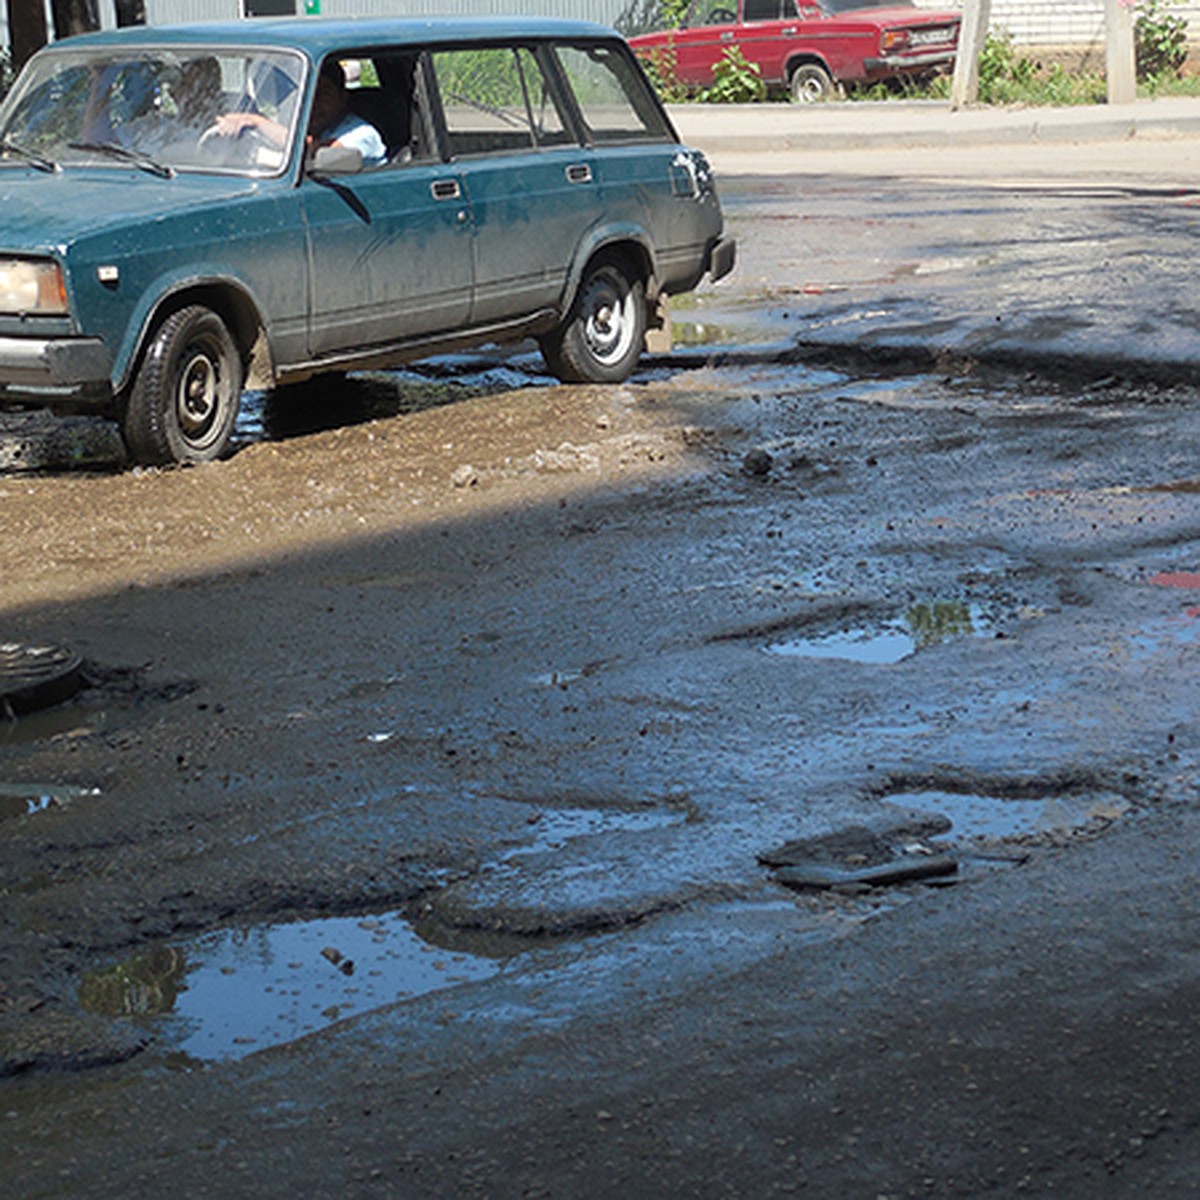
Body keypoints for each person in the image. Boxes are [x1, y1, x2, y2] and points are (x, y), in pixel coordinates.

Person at [211, 59, 385, 168]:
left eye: (325, 93)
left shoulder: (362, 133)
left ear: (342, 98)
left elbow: (317, 154)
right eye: (309, 93)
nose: (314, 101)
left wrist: (255, 121)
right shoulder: (299, 124)